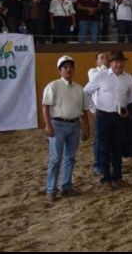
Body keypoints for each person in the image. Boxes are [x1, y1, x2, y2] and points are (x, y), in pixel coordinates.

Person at [83, 51, 132, 189]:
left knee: (117, 148)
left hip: (120, 117)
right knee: (104, 148)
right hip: (103, 116)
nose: (118, 64)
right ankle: (106, 178)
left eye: (120, 61)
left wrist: (129, 112)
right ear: (110, 63)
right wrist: (93, 109)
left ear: (124, 62)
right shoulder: (101, 75)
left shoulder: (129, 78)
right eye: (115, 62)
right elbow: (87, 91)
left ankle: (117, 177)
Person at [42, 56, 91, 202]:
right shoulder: (53, 86)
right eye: (65, 67)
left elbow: (84, 110)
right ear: (60, 70)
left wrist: (86, 127)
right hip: (57, 125)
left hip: (74, 125)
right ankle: (51, 189)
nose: (68, 69)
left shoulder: (79, 88)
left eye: (71, 67)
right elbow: (45, 106)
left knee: (70, 157)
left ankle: (66, 186)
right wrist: (48, 125)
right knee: (55, 158)